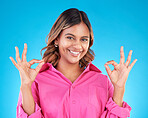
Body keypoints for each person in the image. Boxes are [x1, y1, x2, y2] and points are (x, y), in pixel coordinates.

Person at [10, 8, 137, 118]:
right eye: (70, 37)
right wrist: (25, 87)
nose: (77, 45)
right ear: (57, 39)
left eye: (83, 39)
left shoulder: (102, 81)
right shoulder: (37, 80)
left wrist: (119, 89)